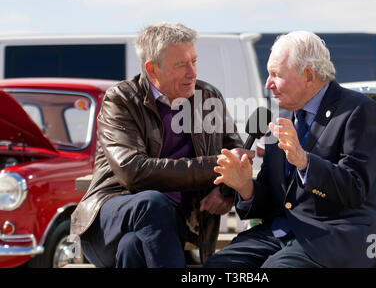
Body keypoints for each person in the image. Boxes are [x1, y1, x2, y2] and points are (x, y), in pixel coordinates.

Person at [70, 22, 251, 268]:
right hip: (112, 216)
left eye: (194, 61)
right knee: (152, 204)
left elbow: (234, 153)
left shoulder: (207, 97)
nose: (192, 72)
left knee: (133, 247)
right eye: (181, 65)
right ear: (152, 69)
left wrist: (225, 191)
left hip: (172, 223)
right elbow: (133, 171)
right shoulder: (121, 100)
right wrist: (214, 167)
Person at [204, 31, 376, 268]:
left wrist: (305, 162)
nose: (268, 84)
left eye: (276, 75)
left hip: (333, 238)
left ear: (308, 75)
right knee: (216, 268)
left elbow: (355, 189)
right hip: (280, 233)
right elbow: (273, 199)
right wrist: (244, 186)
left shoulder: (359, 110)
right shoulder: (283, 115)